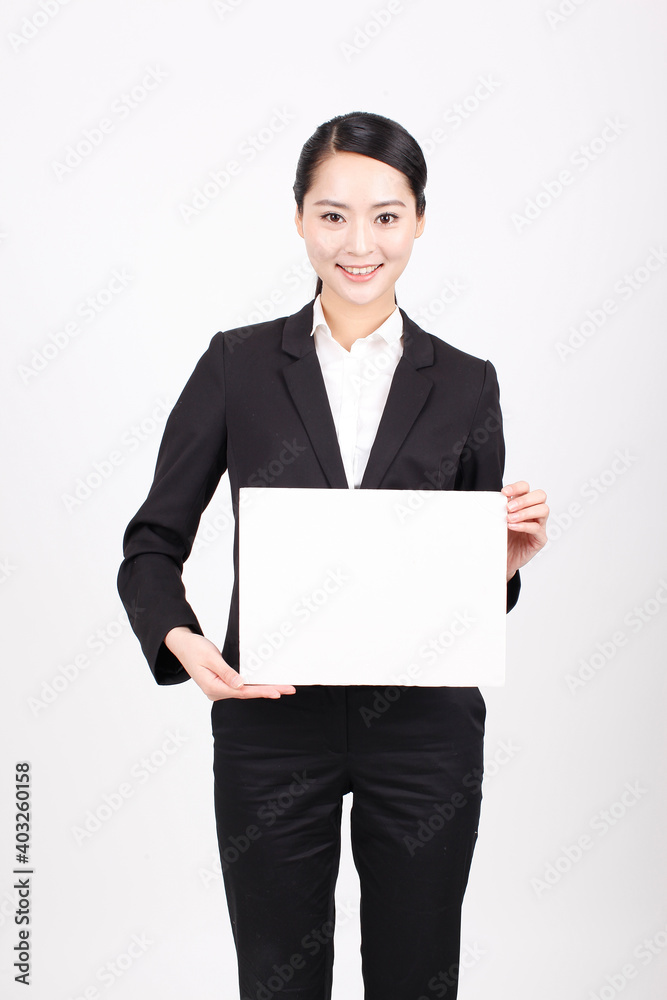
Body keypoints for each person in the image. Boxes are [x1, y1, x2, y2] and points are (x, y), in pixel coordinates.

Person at [117, 111, 549, 1000]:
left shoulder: (467, 382)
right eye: (334, 215)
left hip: (424, 732)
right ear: (300, 219)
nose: (360, 243)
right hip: (268, 724)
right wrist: (186, 645)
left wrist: (502, 559)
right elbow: (151, 544)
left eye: (387, 216)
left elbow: (466, 588)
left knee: (416, 980)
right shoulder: (236, 366)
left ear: (420, 220)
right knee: (277, 984)